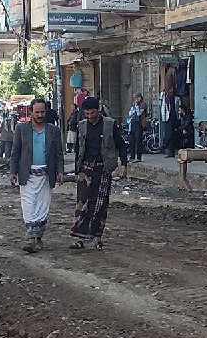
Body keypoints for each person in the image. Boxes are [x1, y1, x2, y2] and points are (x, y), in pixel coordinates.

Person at [70, 97, 129, 250]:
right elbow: (78, 149)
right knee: (82, 204)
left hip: (103, 169)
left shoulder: (110, 124)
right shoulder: (81, 125)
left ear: (99, 110)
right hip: (85, 168)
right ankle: (79, 239)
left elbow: (121, 145)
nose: (90, 116)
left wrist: (124, 164)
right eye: (87, 113)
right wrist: (77, 171)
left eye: (92, 113)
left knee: (100, 205)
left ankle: (97, 238)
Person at [10, 98, 65, 253]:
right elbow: (15, 153)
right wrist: (13, 172)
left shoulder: (53, 130)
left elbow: (59, 154)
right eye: (37, 112)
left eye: (42, 112)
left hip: (46, 175)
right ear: (31, 112)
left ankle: (37, 238)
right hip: (27, 174)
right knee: (28, 206)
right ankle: (31, 237)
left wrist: (60, 171)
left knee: (42, 206)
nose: (40, 115)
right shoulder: (21, 129)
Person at [127, 93, 147, 163]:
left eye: (136, 98)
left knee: (138, 140)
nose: (135, 99)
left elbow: (139, 113)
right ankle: (132, 156)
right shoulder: (134, 105)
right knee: (132, 140)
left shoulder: (143, 104)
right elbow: (130, 113)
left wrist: (136, 106)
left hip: (139, 123)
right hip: (133, 122)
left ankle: (138, 157)